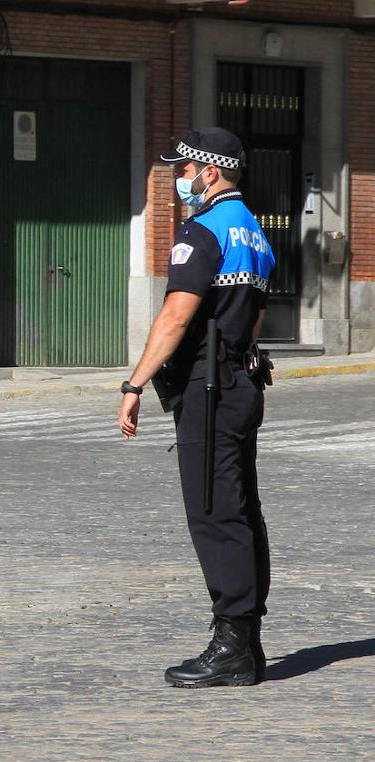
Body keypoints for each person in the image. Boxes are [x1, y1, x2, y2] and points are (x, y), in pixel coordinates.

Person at [118, 127, 276, 688]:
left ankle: (232, 642)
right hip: (240, 384)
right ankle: (247, 642)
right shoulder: (255, 232)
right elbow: (254, 319)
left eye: (183, 171)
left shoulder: (203, 232)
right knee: (240, 509)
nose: (179, 180)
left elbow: (176, 317)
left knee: (214, 512)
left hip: (209, 390)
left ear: (209, 172)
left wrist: (135, 384)